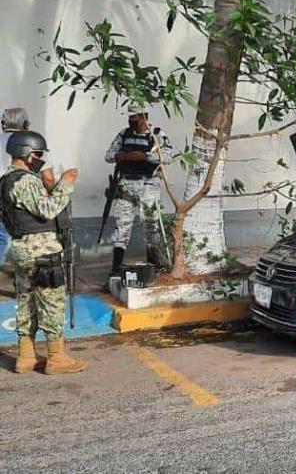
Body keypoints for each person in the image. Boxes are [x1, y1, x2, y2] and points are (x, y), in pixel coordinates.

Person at [0, 131, 86, 374]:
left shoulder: (5, 181)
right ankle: (56, 358)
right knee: (51, 303)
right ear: (27, 154)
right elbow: (47, 210)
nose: (41, 159)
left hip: (22, 249)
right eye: (38, 155)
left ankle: (26, 356)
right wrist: (66, 183)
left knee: (26, 302)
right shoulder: (25, 181)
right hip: (42, 251)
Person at [104, 106, 173, 276]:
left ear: (144, 117)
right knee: (122, 227)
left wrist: (145, 157)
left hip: (148, 185)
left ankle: (155, 265)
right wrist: (125, 156)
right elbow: (109, 155)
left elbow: (168, 157)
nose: (131, 121)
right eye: (130, 118)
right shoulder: (124, 134)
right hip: (126, 184)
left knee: (150, 225)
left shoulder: (156, 134)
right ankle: (115, 268)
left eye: (135, 118)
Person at [0, 108, 31, 267]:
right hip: (18, 198)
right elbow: (47, 176)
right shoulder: (29, 142)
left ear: (2, 124)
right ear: (26, 124)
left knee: (2, 238)